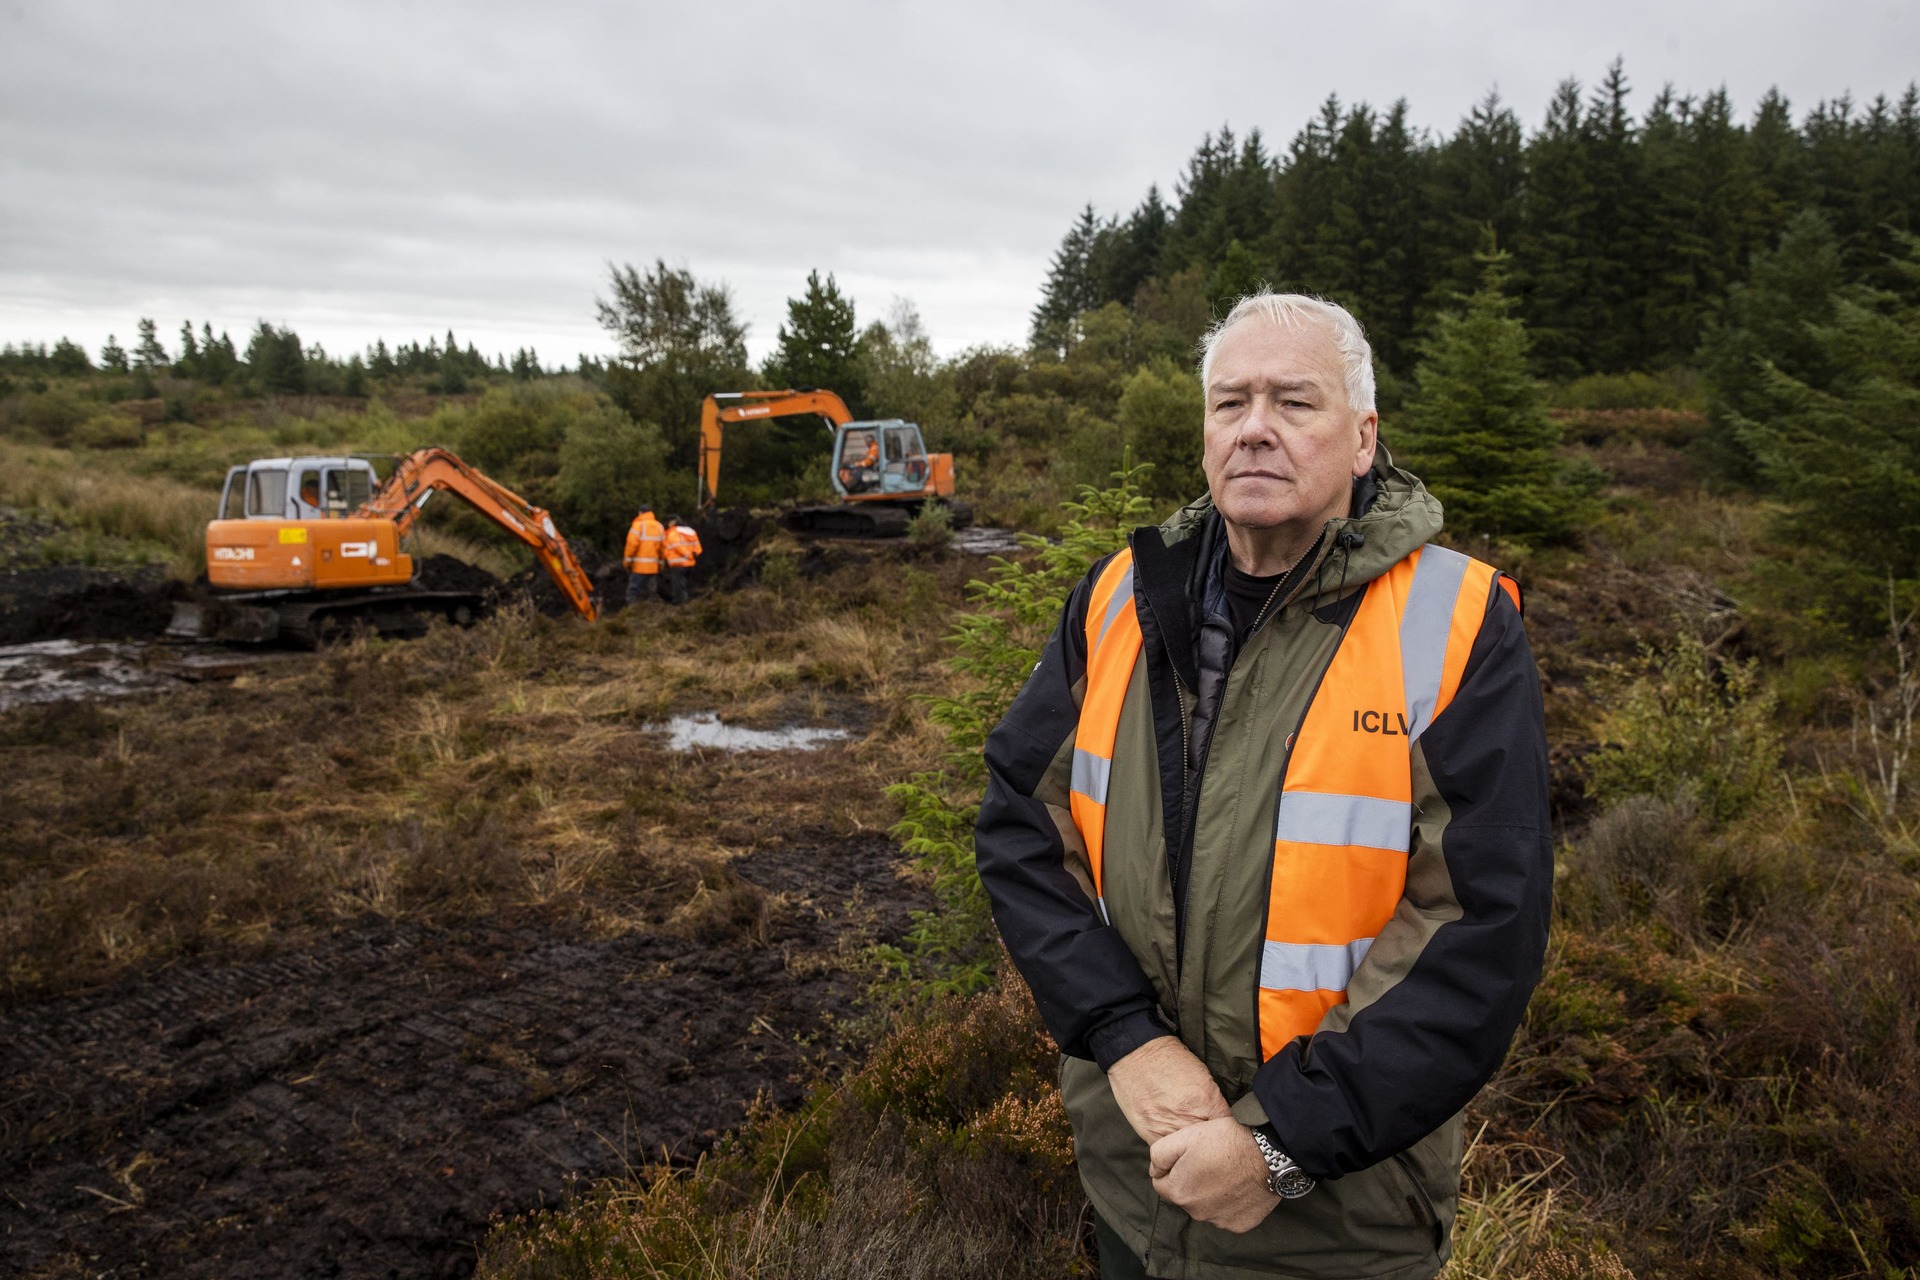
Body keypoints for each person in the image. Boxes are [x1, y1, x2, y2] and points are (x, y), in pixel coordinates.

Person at [974, 293, 1552, 1280]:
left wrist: (1278, 1143)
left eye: (1294, 402)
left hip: (1340, 1218)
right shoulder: (1117, 598)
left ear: (1364, 436)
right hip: (1136, 1179)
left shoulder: (1456, 622)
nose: (1254, 428)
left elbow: (1483, 924)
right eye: (1230, 402)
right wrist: (1125, 1039)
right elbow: (1022, 834)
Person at [623, 505, 665, 606]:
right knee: (651, 592)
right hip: (653, 567)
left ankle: (632, 612)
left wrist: (627, 561)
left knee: (633, 591)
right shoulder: (659, 526)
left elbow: (631, 545)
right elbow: (662, 548)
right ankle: (651, 613)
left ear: (640, 513)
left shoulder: (638, 526)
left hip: (639, 567)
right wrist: (661, 564)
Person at [661, 515, 702, 605]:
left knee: (678, 586)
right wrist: (693, 555)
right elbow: (698, 548)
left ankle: (680, 605)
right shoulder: (690, 531)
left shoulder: (672, 532)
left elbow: (677, 546)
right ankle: (688, 602)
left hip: (678, 563)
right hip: (690, 564)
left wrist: (687, 555)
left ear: (673, 522)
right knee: (685, 585)